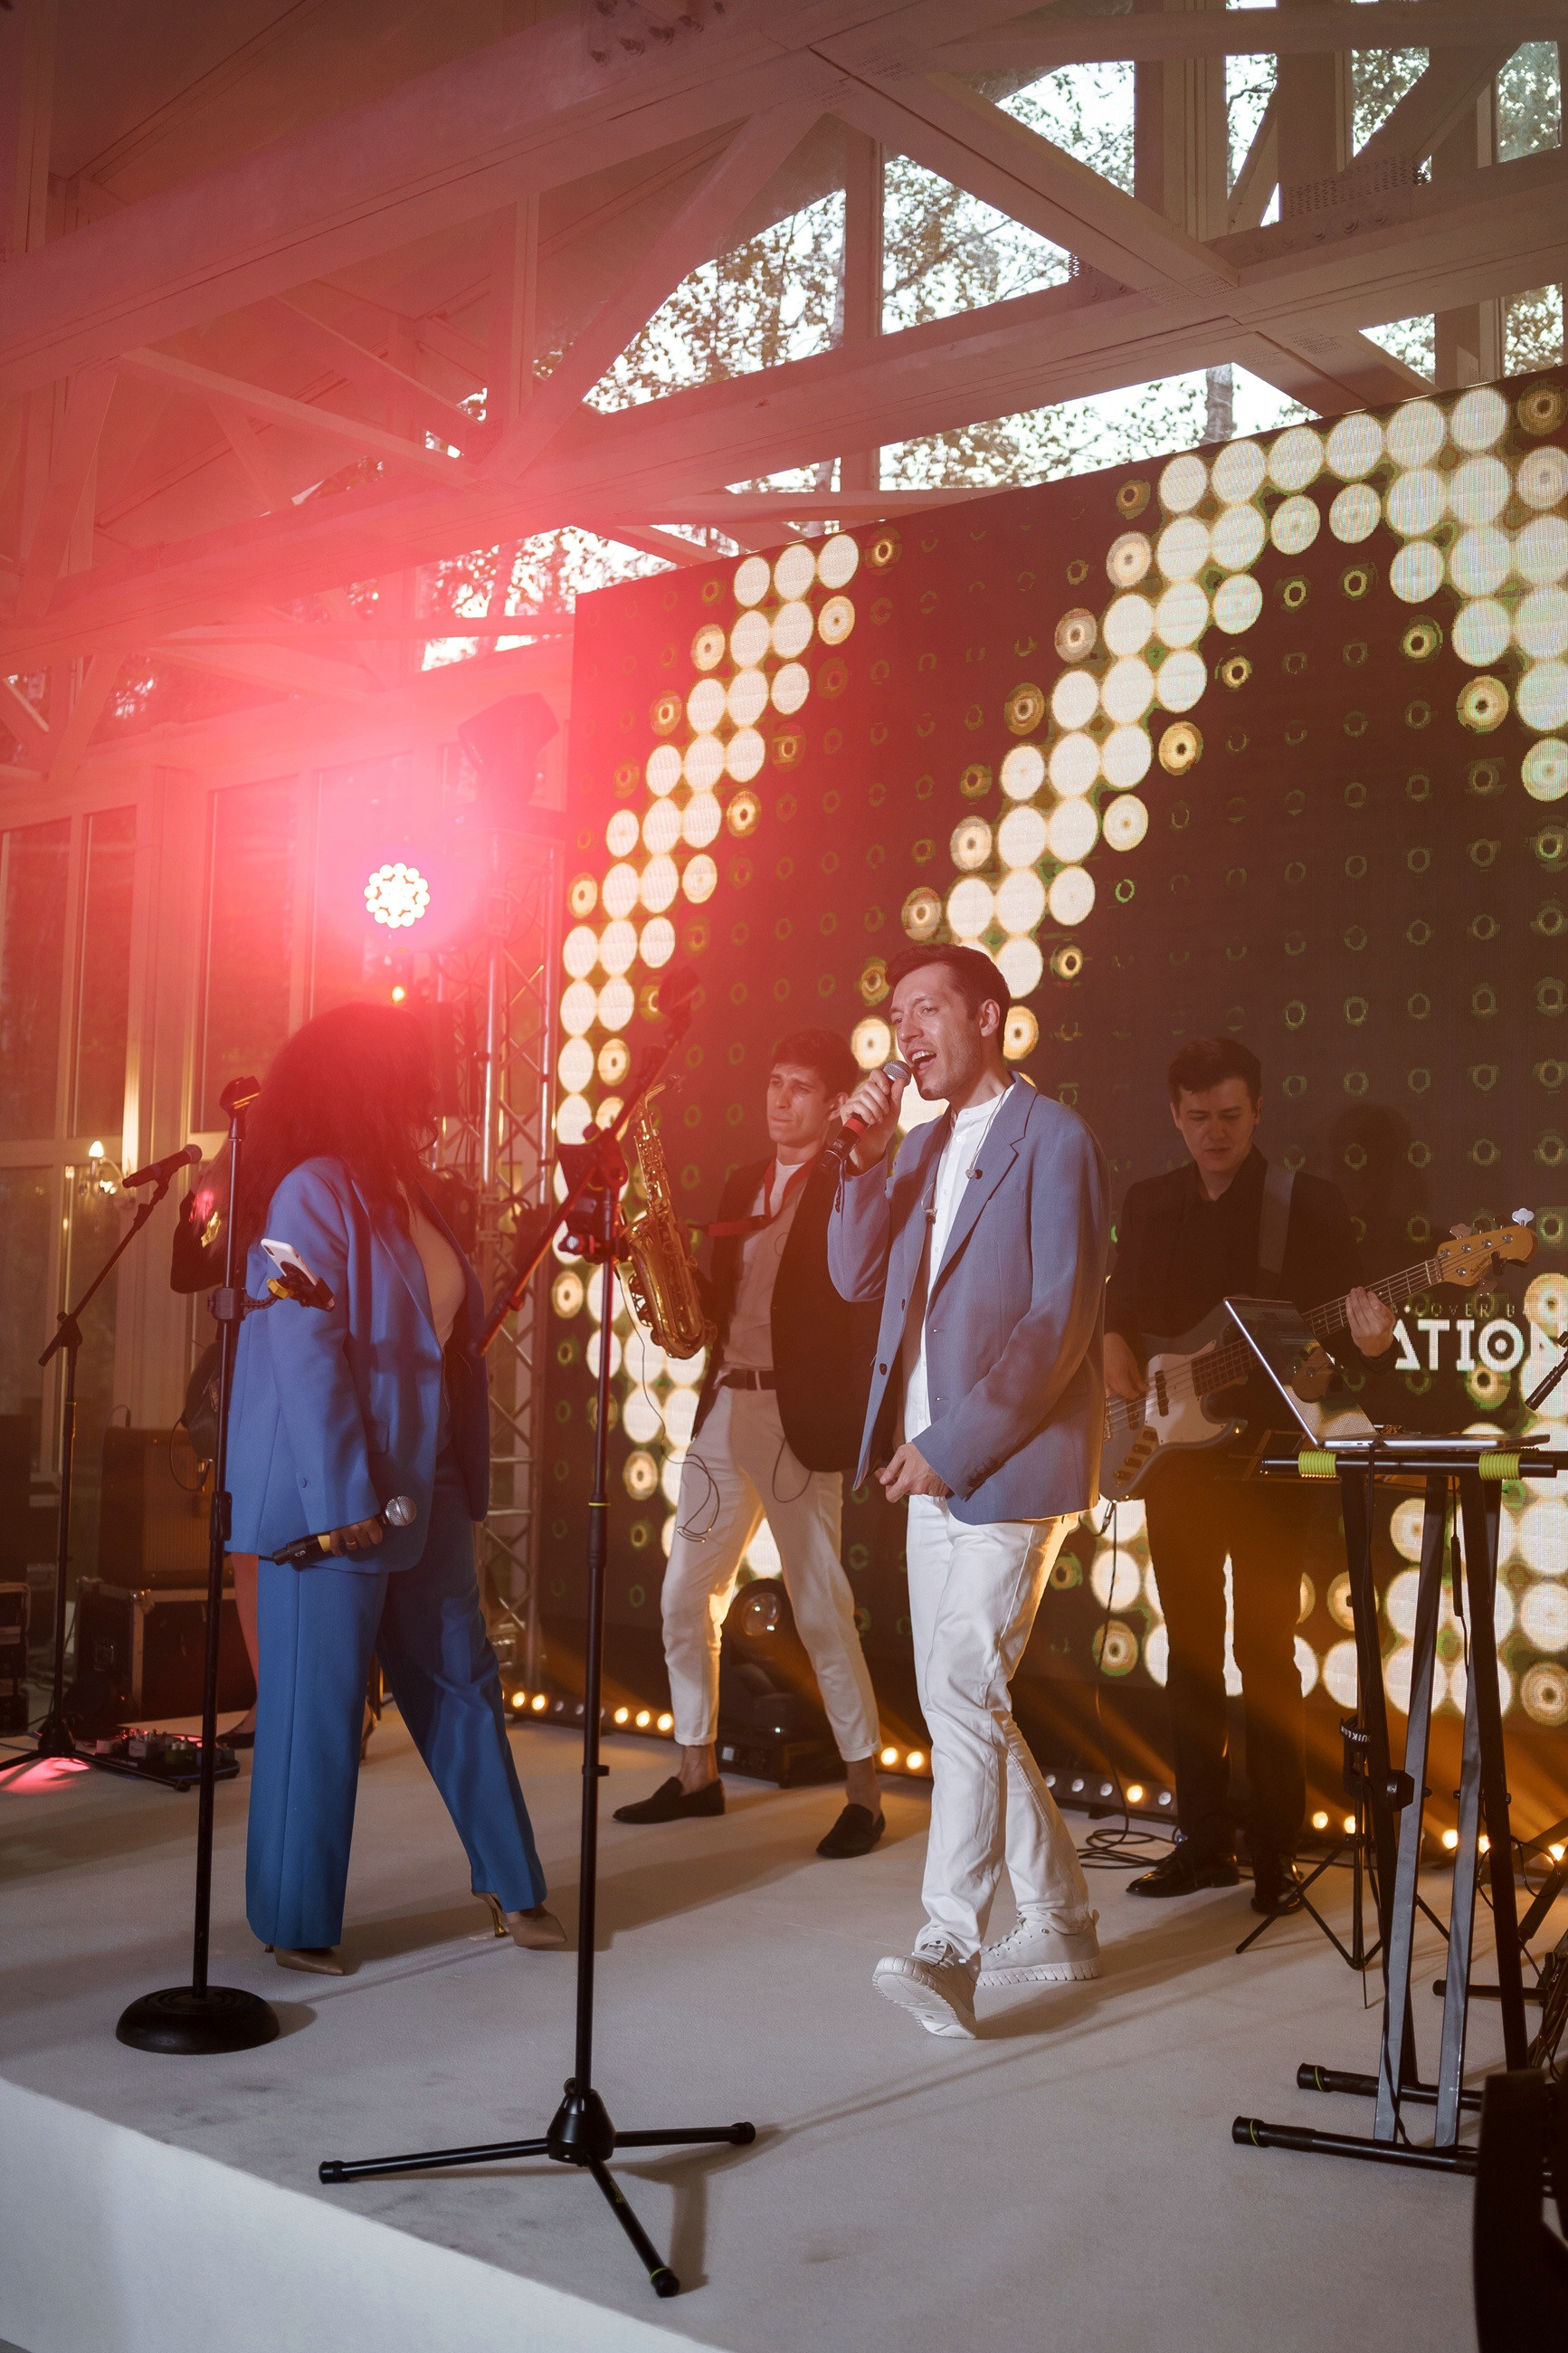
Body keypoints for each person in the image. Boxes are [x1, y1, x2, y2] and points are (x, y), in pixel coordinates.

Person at [224, 1002, 562, 1975]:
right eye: (412, 1073)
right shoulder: (310, 1191)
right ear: (366, 1080)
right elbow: (305, 1353)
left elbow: (444, 1343)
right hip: (329, 1498)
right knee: (317, 1707)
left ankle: (513, 1883)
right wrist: (344, 1504)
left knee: (464, 1681)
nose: (431, 1092)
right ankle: (296, 1916)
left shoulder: (411, 1189)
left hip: (427, 1481)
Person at [829, 946, 1110, 2038]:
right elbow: (852, 1273)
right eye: (895, 1012)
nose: (905, 1031)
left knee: (958, 1680)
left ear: (988, 1016)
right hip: (926, 1463)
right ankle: (1061, 1918)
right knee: (967, 1695)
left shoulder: (1055, 1137)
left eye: (926, 1008)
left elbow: (1058, 1318)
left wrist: (955, 1442)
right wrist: (859, 1162)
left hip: (1009, 1460)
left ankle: (949, 1945)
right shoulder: (913, 1146)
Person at [1104, 1036, 1395, 1914]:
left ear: (1258, 1109)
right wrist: (1114, 1349)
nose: (1215, 1132)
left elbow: (1350, 1338)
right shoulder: (1148, 1202)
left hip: (1270, 1461)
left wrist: (1372, 1338)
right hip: (1173, 1462)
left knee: (1265, 1652)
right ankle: (1201, 1842)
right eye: (1197, 1117)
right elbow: (1120, 1308)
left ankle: (1275, 1850)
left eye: (1230, 1114)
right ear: (1173, 1115)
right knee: (1190, 1651)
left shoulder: (1303, 1202)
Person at [614, 1029, 887, 1858]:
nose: (779, 1099)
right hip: (725, 1406)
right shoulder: (742, 1181)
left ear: (834, 1104)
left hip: (797, 1419)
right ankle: (697, 1772)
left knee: (820, 1609)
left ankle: (865, 1796)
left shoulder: (847, 1181)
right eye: (774, 1082)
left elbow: (859, 1300)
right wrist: (662, 1266)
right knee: (681, 1595)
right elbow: (722, 1297)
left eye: (799, 1087)